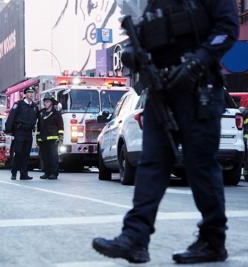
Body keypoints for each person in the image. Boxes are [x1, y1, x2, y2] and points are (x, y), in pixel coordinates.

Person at [92, 0, 239, 264]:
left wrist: (197, 63)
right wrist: (131, 55)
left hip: (199, 89)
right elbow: (133, 37)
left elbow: (227, 29)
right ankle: (135, 238)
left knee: (200, 167)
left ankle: (213, 240)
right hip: (162, 91)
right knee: (151, 165)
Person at [5, 86, 39, 180]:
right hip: (19, 131)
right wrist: (9, 131)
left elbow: (37, 118)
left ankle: (24, 174)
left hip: (28, 132)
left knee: (26, 154)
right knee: (18, 153)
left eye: (32, 92)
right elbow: (11, 117)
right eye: (29, 92)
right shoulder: (19, 104)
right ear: (25, 94)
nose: (31, 94)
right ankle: (14, 173)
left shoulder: (34, 106)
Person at [37, 94, 64, 180]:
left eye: (47, 102)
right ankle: (46, 173)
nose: (45, 103)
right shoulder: (41, 113)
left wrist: (60, 137)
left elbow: (60, 126)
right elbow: (38, 126)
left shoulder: (56, 113)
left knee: (53, 157)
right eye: (45, 101)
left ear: (51, 103)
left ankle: (54, 173)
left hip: (53, 139)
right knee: (45, 156)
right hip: (43, 138)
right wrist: (38, 138)